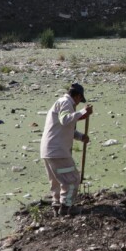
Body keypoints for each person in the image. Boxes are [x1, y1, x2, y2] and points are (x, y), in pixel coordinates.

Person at [40, 83, 93, 216]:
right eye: (80, 100)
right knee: (72, 179)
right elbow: (64, 120)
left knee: (56, 181)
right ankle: (66, 207)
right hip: (58, 151)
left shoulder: (62, 104)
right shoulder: (65, 103)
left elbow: (68, 129)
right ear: (77, 96)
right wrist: (82, 112)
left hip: (48, 150)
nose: (79, 103)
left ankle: (56, 206)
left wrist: (81, 137)